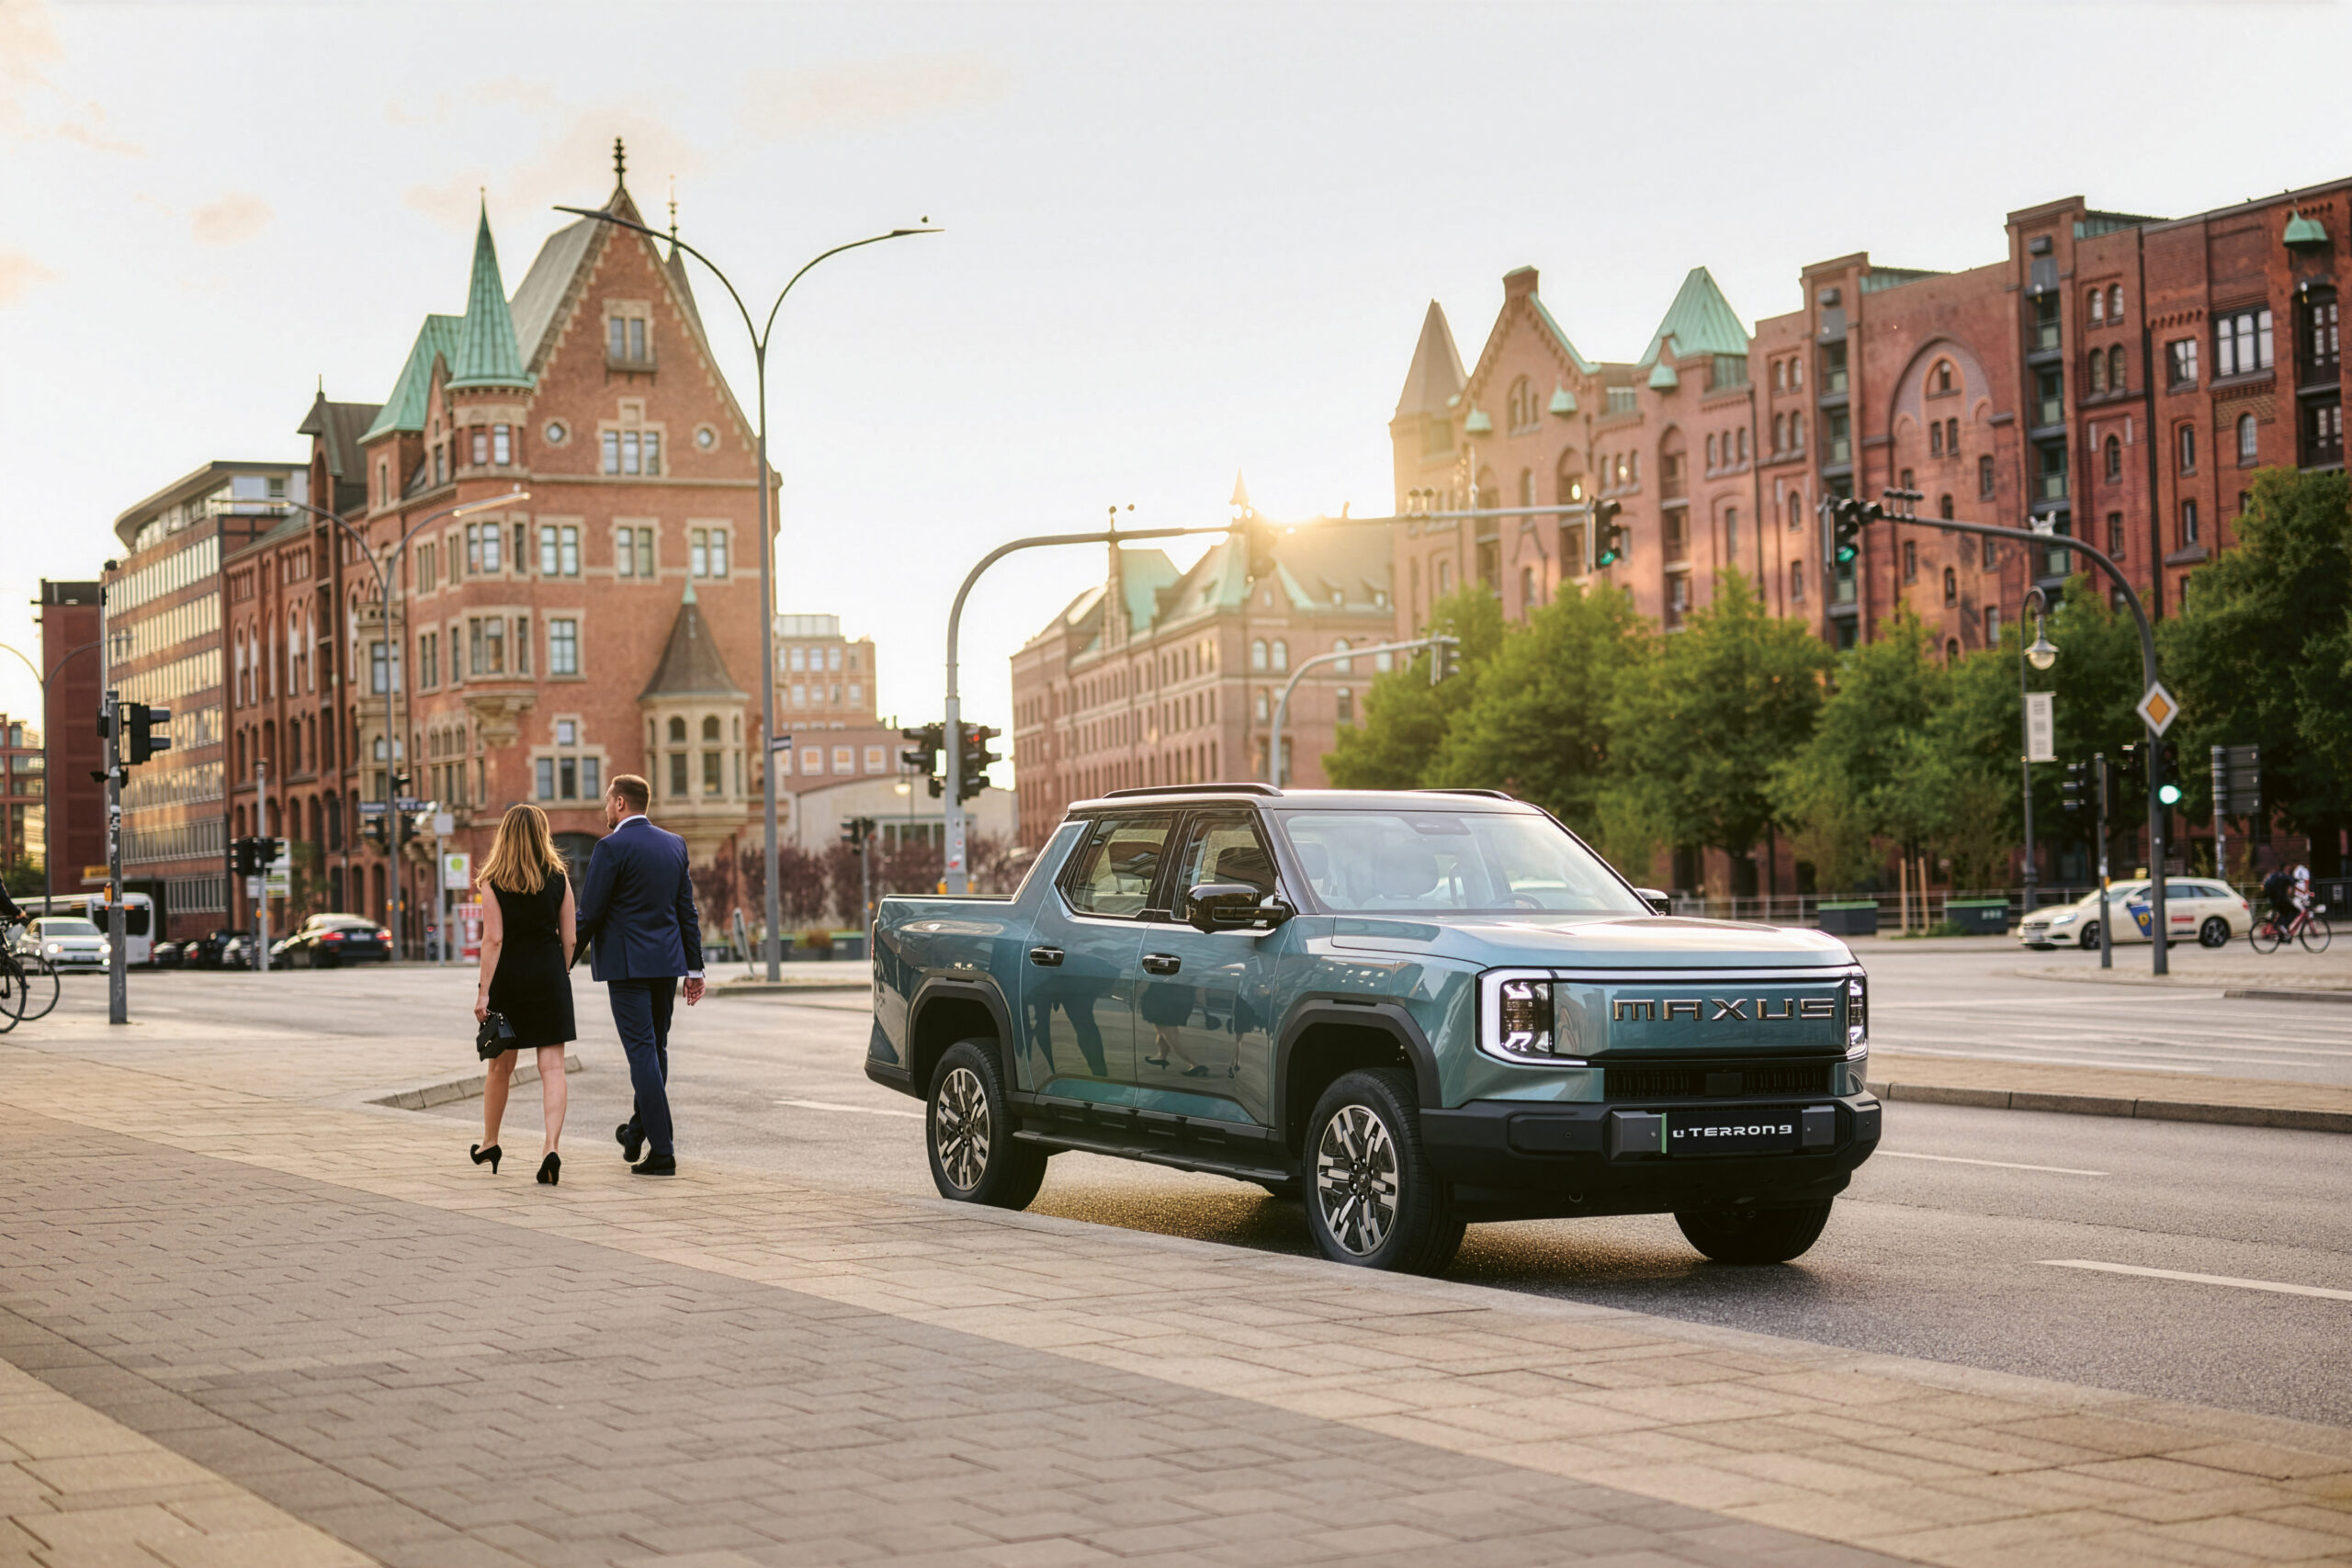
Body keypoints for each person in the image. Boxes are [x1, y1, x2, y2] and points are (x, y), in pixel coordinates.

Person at [574, 773, 703, 1176]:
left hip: (628, 968)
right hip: (667, 964)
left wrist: (563, 959)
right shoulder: (674, 844)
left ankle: (663, 1151)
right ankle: (635, 1133)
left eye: (607, 800)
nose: (605, 808)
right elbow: (687, 912)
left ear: (620, 804)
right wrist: (694, 968)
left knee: (643, 1053)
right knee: (656, 1050)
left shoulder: (610, 847)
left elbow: (590, 913)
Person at [469, 803, 578, 1185]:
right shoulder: (558, 876)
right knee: (553, 1068)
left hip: (509, 978)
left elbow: (493, 939)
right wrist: (559, 972)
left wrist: (484, 993)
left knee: (500, 1068)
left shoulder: (492, 879)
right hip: (549, 975)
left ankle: (490, 1142)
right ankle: (551, 1147)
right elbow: (571, 937)